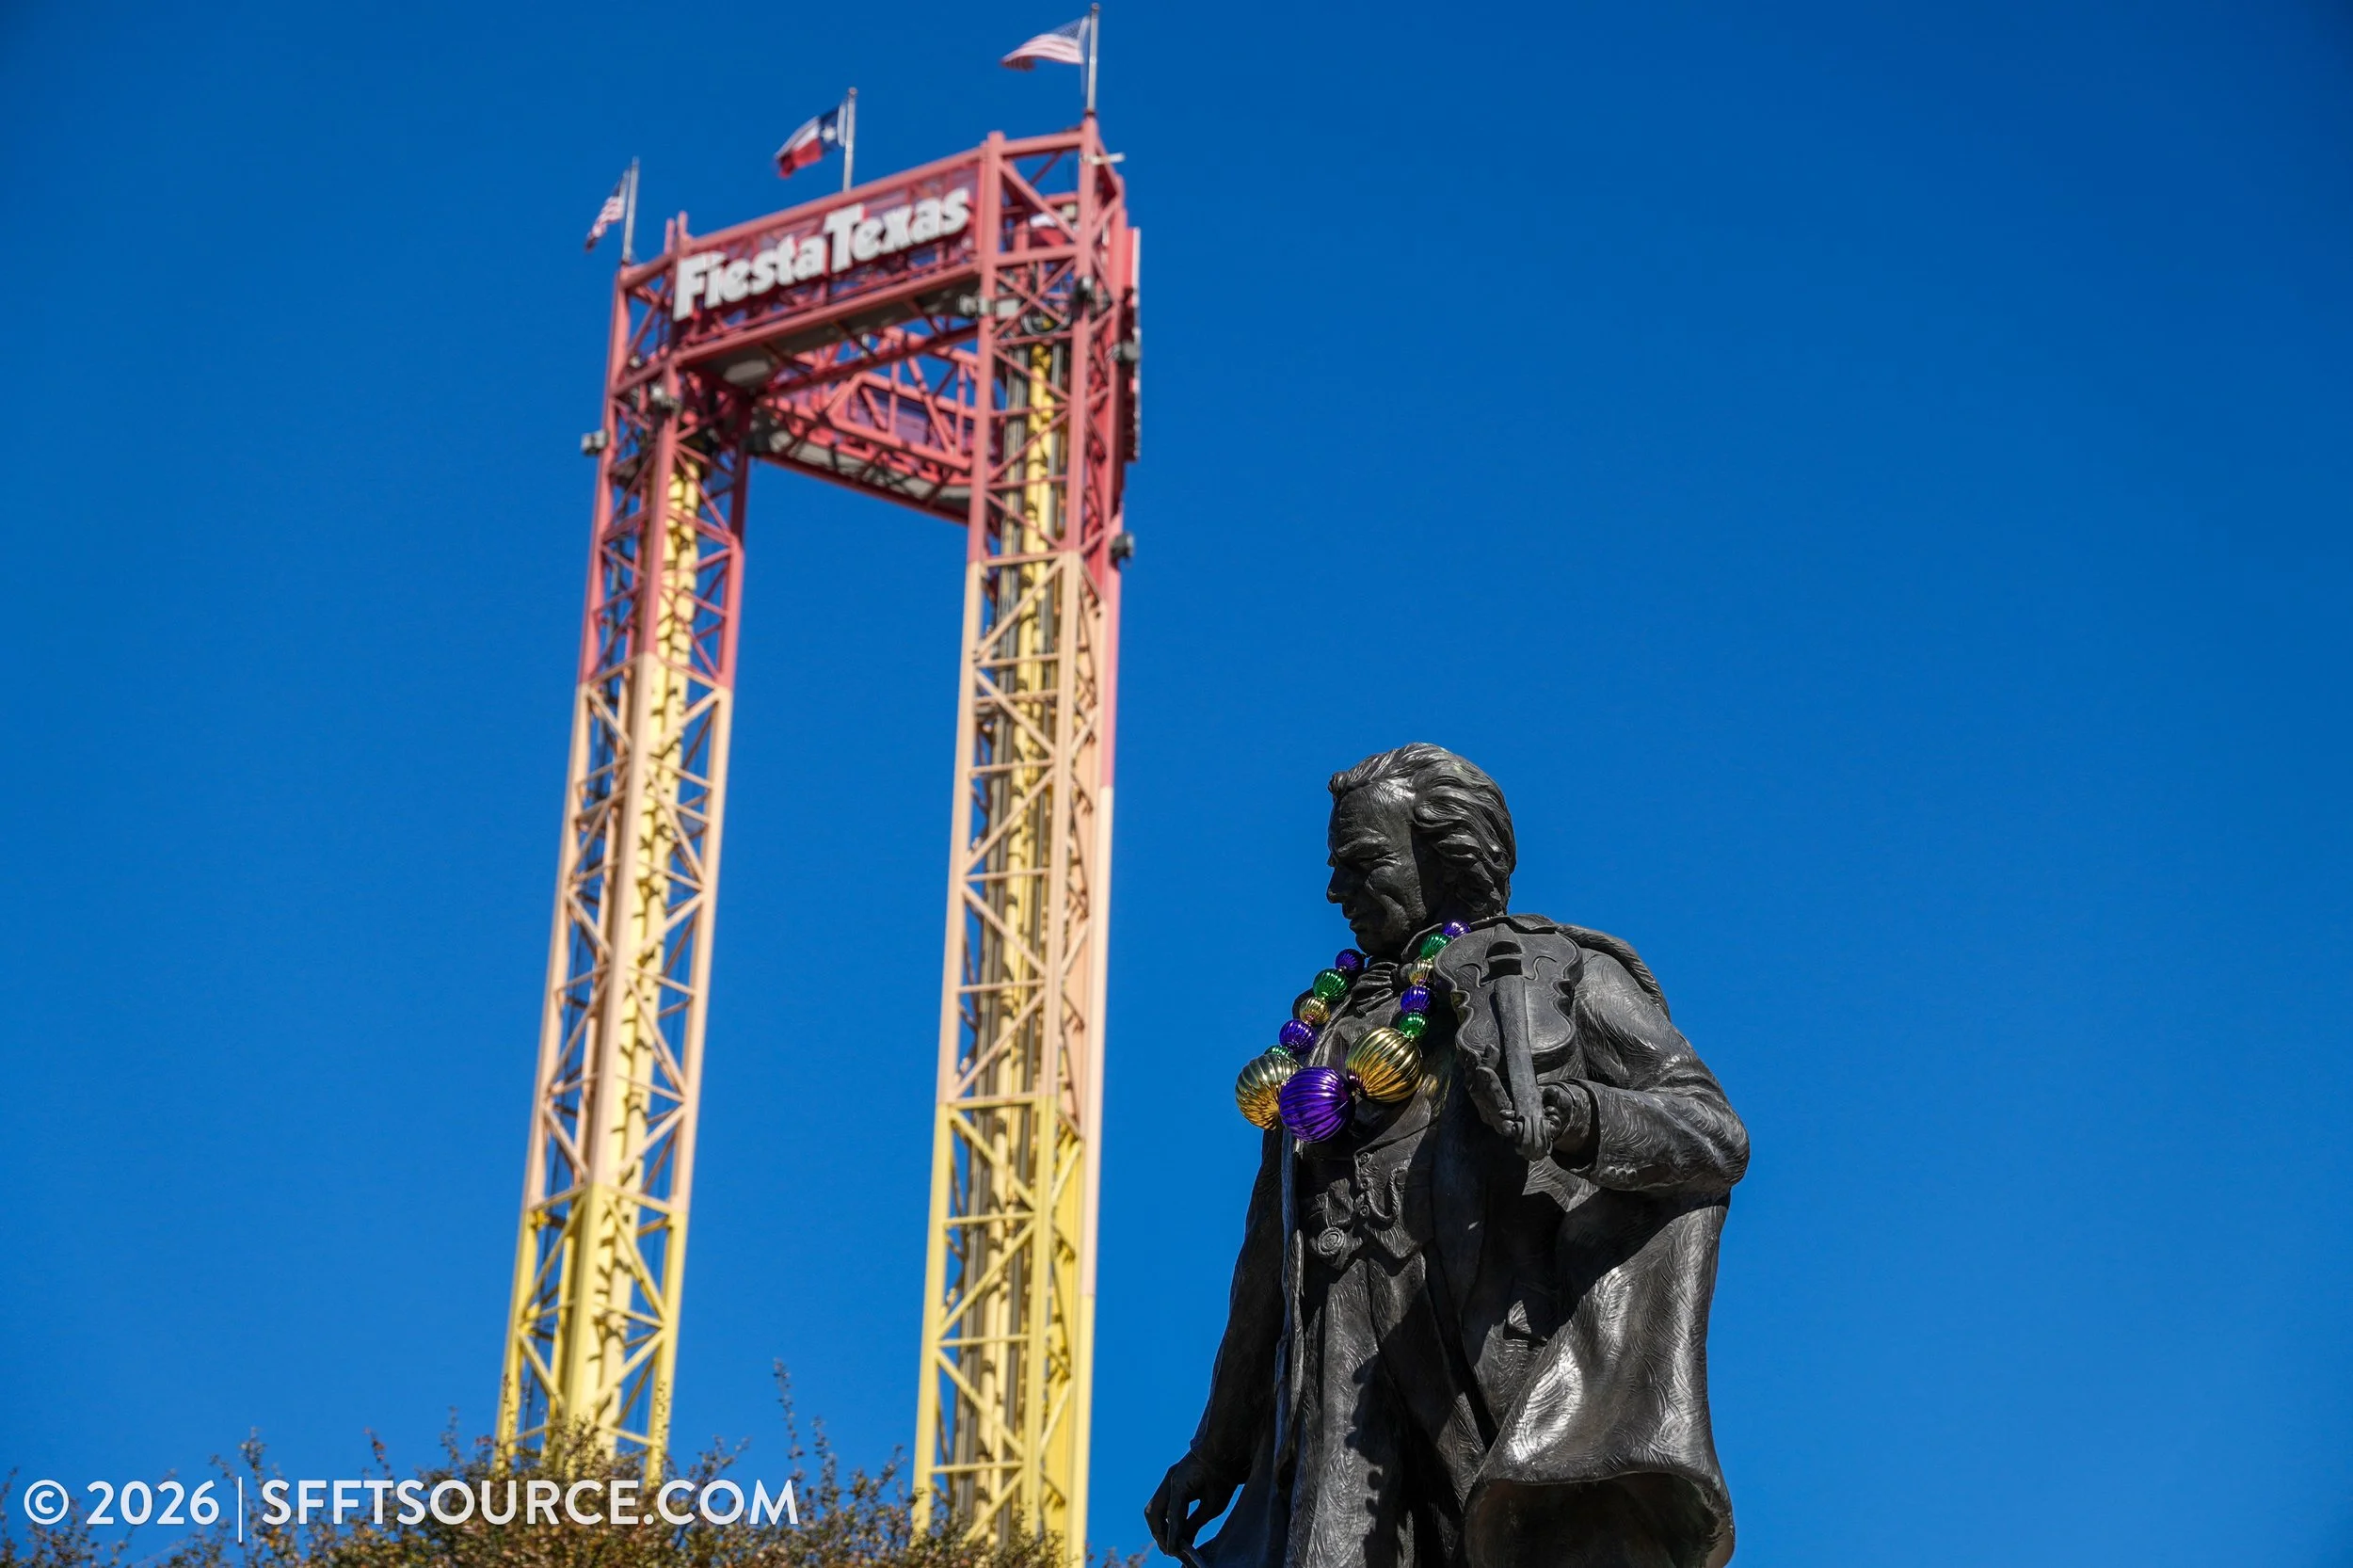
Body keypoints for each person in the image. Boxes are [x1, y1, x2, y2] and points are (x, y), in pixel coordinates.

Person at [1145, 744, 1749, 1568]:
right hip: (1335, 1382)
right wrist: (1217, 1449)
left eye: (1361, 865)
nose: (1335, 892)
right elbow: (1265, 1267)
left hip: (1495, 1369)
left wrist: (1577, 1118)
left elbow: (1711, 1132)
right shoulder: (1324, 1031)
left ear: (1446, 855)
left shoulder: (1549, 974)